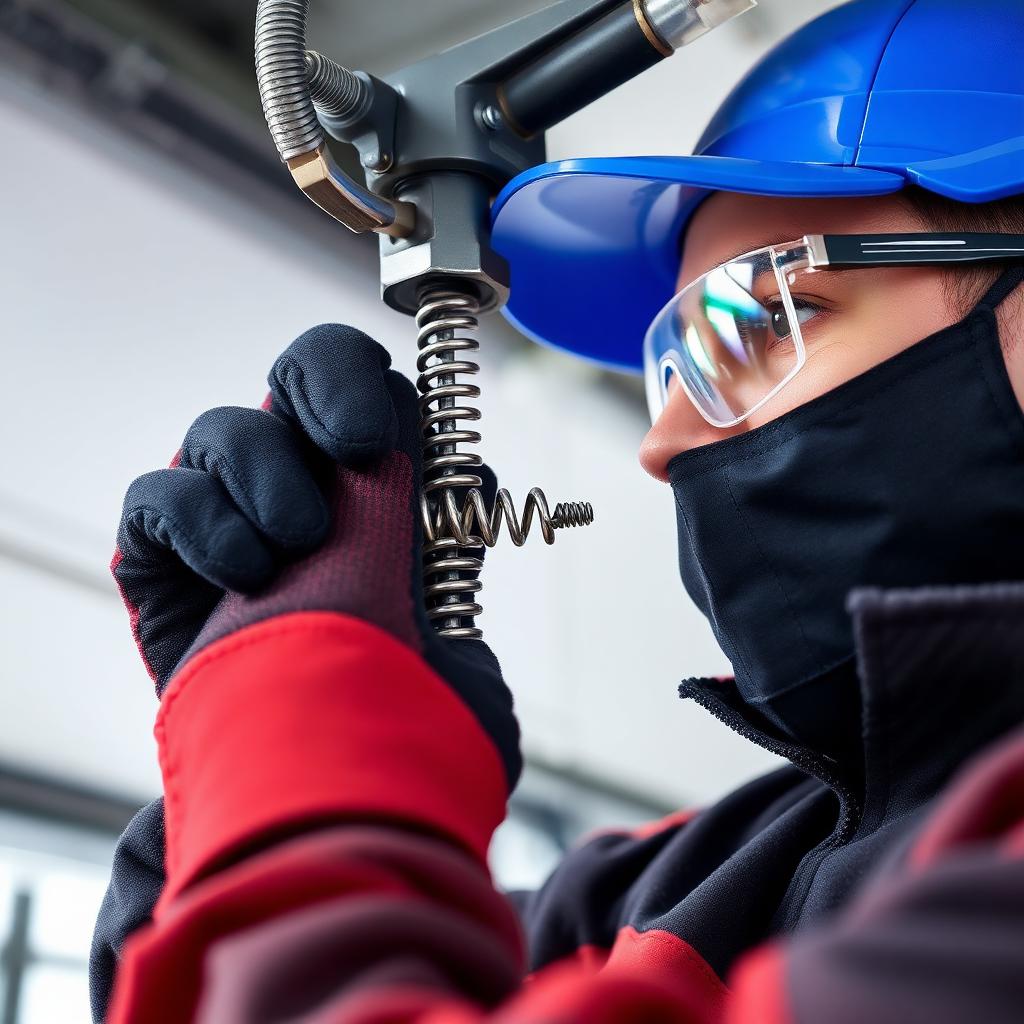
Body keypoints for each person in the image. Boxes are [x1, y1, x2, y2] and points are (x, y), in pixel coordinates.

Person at [90, 0, 1024, 1021]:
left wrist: (290, 709)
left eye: (761, 320)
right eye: (673, 361)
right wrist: (216, 773)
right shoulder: (650, 893)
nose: (659, 442)